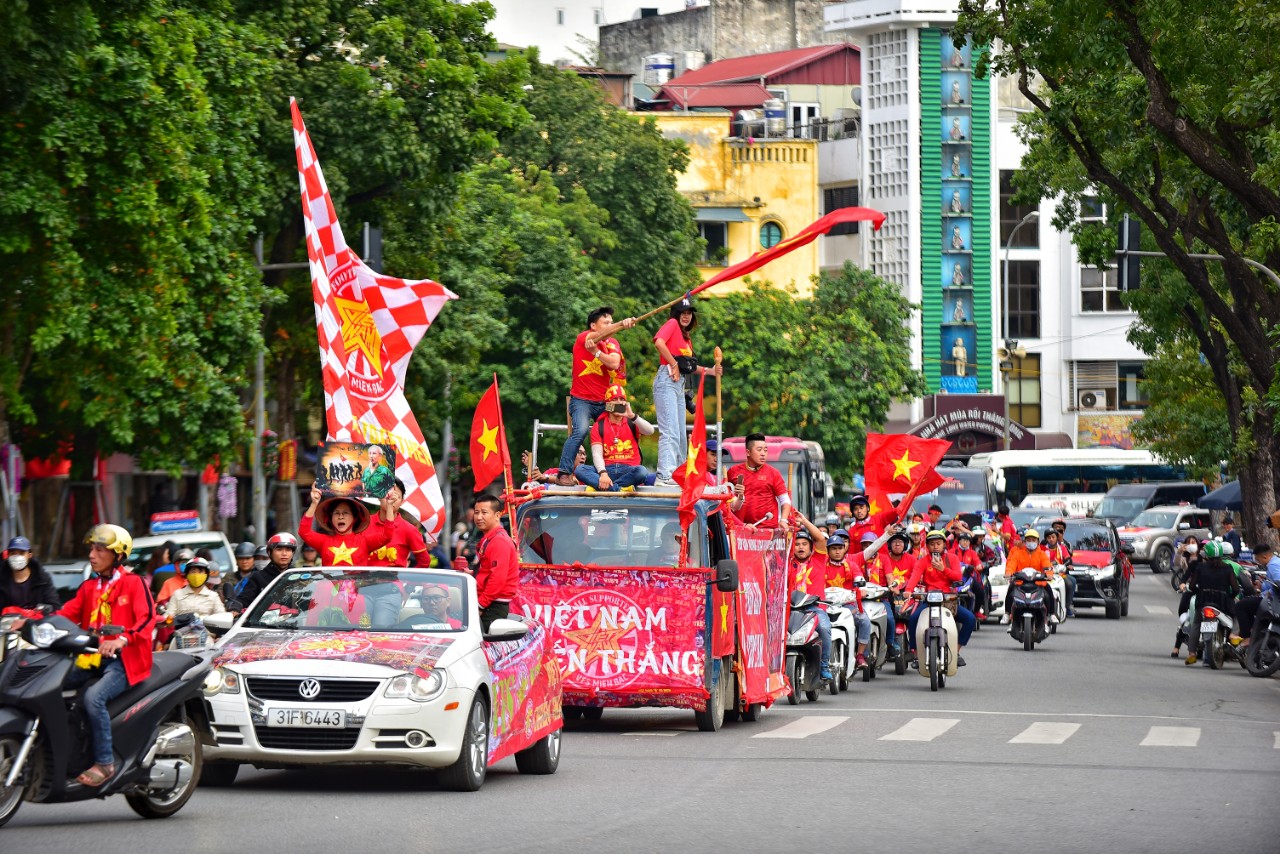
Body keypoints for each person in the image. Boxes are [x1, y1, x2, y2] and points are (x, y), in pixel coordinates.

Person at [59, 524, 155, 787]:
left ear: (118, 555)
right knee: (50, 684)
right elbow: (66, 614)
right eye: (91, 549)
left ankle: (105, 762)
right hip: (91, 658)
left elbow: (147, 619)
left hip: (124, 662)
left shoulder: (134, 584)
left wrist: (122, 639)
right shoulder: (90, 587)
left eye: (99, 550)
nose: (92, 555)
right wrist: (32, 620)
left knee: (93, 698)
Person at [557, 306, 637, 486]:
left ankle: (622, 468)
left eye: (611, 322)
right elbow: (599, 337)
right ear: (593, 325)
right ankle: (563, 473)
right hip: (581, 400)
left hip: (604, 401)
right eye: (605, 322)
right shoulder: (583, 338)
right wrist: (621, 325)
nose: (610, 325)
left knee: (626, 420)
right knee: (581, 431)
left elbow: (615, 364)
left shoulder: (612, 343)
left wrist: (597, 353)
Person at [652, 297, 721, 486]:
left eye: (689, 313)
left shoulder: (686, 338)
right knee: (670, 431)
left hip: (679, 384)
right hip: (667, 379)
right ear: (676, 314)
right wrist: (673, 363)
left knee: (681, 434)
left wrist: (710, 371)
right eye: (683, 312)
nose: (686, 316)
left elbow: (688, 366)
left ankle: (677, 473)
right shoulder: (672, 324)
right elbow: (659, 342)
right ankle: (664, 475)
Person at [902, 530, 974, 666]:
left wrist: (943, 569)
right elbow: (914, 577)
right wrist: (908, 591)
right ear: (927, 546)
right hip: (929, 600)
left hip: (948, 601)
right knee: (912, 619)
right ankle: (916, 655)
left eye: (938, 543)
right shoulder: (923, 561)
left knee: (970, 619)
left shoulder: (952, 559)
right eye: (932, 544)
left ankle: (957, 651)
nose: (935, 546)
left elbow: (958, 577)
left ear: (944, 545)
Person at [574, 385, 655, 491]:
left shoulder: (633, 422)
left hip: (629, 469)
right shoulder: (599, 425)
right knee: (580, 470)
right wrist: (603, 474)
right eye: (614, 399)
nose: (619, 402)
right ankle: (620, 488)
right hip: (607, 469)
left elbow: (650, 431)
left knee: (642, 472)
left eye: (622, 399)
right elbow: (597, 454)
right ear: (608, 404)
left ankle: (604, 487)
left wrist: (632, 416)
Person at [299, 484, 397, 566]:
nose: (340, 517)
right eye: (336, 513)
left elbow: (387, 536)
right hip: (329, 589)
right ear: (331, 518)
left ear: (354, 518)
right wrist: (314, 503)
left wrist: (389, 506)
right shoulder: (324, 541)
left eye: (345, 513)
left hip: (358, 588)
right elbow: (304, 532)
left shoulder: (364, 541)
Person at [1180, 540, 1241, 665]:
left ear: (1206, 555)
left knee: (1196, 623)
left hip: (1203, 601)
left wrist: (1200, 591)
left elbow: (1191, 586)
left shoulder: (1200, 567)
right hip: (1223, 602)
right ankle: (1234, 635)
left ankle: (1192, 653)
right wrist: (1230, 597)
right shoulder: (1227, 568)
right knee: (1237, 614)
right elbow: (1236, 589)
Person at [822, 530, 873, 670]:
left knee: (864, 621)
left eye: (840, 548)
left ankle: (860, 655)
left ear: (844, 549)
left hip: (847, 605)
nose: (837, 552)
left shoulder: (851, 565)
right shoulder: (822, 566)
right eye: (833, 549)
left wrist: (861, 586)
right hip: (825, 606)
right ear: (828, 551)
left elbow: (859, 578)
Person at [470, 494, 519, 631]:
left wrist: (480, 605)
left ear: (497, 515)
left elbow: (497, 579)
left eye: (484, 513)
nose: (479, 517)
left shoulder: (499, 541)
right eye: (476, 512)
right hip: (488, 602)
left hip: (492, 605)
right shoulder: (489, 538)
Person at [789, 529, 833, 679]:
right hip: (791, 609)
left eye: (804, 544)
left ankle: (824, 665)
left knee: (825, 628)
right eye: (797, 544)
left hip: (815, 609)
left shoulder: (819, 559)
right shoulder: (786, 564)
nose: (800, 547)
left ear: (810, 547)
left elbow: (821, 538)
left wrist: (804, 521)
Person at [726, 433, 791, 529]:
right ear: (748, 452)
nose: (763, 454)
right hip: (742, 528)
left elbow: (785, 500)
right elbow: (726, 501)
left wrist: (784, 520)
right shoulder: (733, 471)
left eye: (765, 450)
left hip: (767, 529)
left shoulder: (773, 473)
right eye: (759, 450)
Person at [366, 478, 434, 568]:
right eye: (388, 494)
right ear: (379, 496)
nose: (391, 499)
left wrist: (408, 580)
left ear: (402, 502)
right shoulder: (363, 524)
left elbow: (424, 561)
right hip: (365, 581)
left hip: (393, 581)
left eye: (396, 496)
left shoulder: (409, 530)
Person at [228, 532, 298, 614]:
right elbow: (243, 599)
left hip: (296, 624)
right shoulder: (258, 577)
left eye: (288, 550)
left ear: (293, 553)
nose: (284, 554)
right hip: (264, 625)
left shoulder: (299, 576)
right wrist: (234, 609)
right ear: (269, 553)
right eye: (279, 549)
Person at [1001, 528, 1057, 625]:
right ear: (1025, 541)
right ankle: (1007, 614)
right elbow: (1011, 565)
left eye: (1034, 540)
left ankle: (1052, 614)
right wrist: (1009, 573)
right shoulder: (1017, 553)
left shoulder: (1042, 554)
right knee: (1010, 592)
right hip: (1020, 582)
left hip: (1038, 583)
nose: (1031, 542)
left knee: (1048, 593)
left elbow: (1048, 566)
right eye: (1029, 540)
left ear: (1038, 542)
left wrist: (1049, 574)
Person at [1234, 542, 1280, 649]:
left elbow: (1278, 584)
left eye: (1258, 559)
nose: (1258, 562)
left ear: (1264, 556)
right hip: (1271, 599)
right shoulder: (1275, 562)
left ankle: (1248, 637)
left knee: (1241, 606)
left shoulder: (1273, 565)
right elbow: (1271, 584)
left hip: (1274, 601)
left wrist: (1267, 593)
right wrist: (1261, 586)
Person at [1042, 526, 1077, 617]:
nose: (1051, 539)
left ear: (1057, 538)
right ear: (1046, 539)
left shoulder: (1062, 548)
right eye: (1049, 537)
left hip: (1059, 574)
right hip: (1046, 574)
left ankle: (1067, 606)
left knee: (1070, 583)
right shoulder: (1042, 548)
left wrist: (1067, 565)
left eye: (1053, 537)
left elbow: (1068, 559)